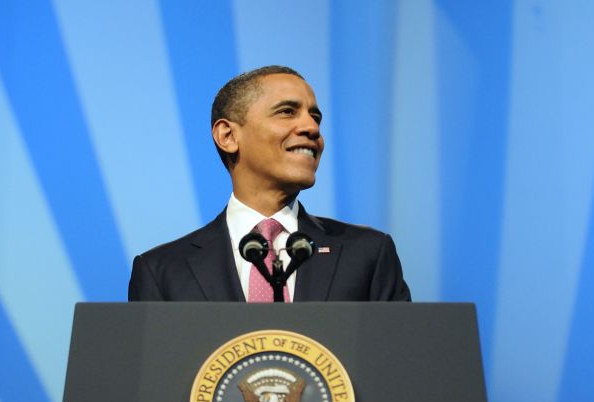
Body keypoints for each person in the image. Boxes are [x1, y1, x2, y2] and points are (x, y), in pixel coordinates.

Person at [128, 65, 410, 302]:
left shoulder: (367, 254)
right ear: (227, 136)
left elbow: (398, 362)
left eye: (315, 117)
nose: (312, 128)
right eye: (287, 111)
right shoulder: (162, 271)